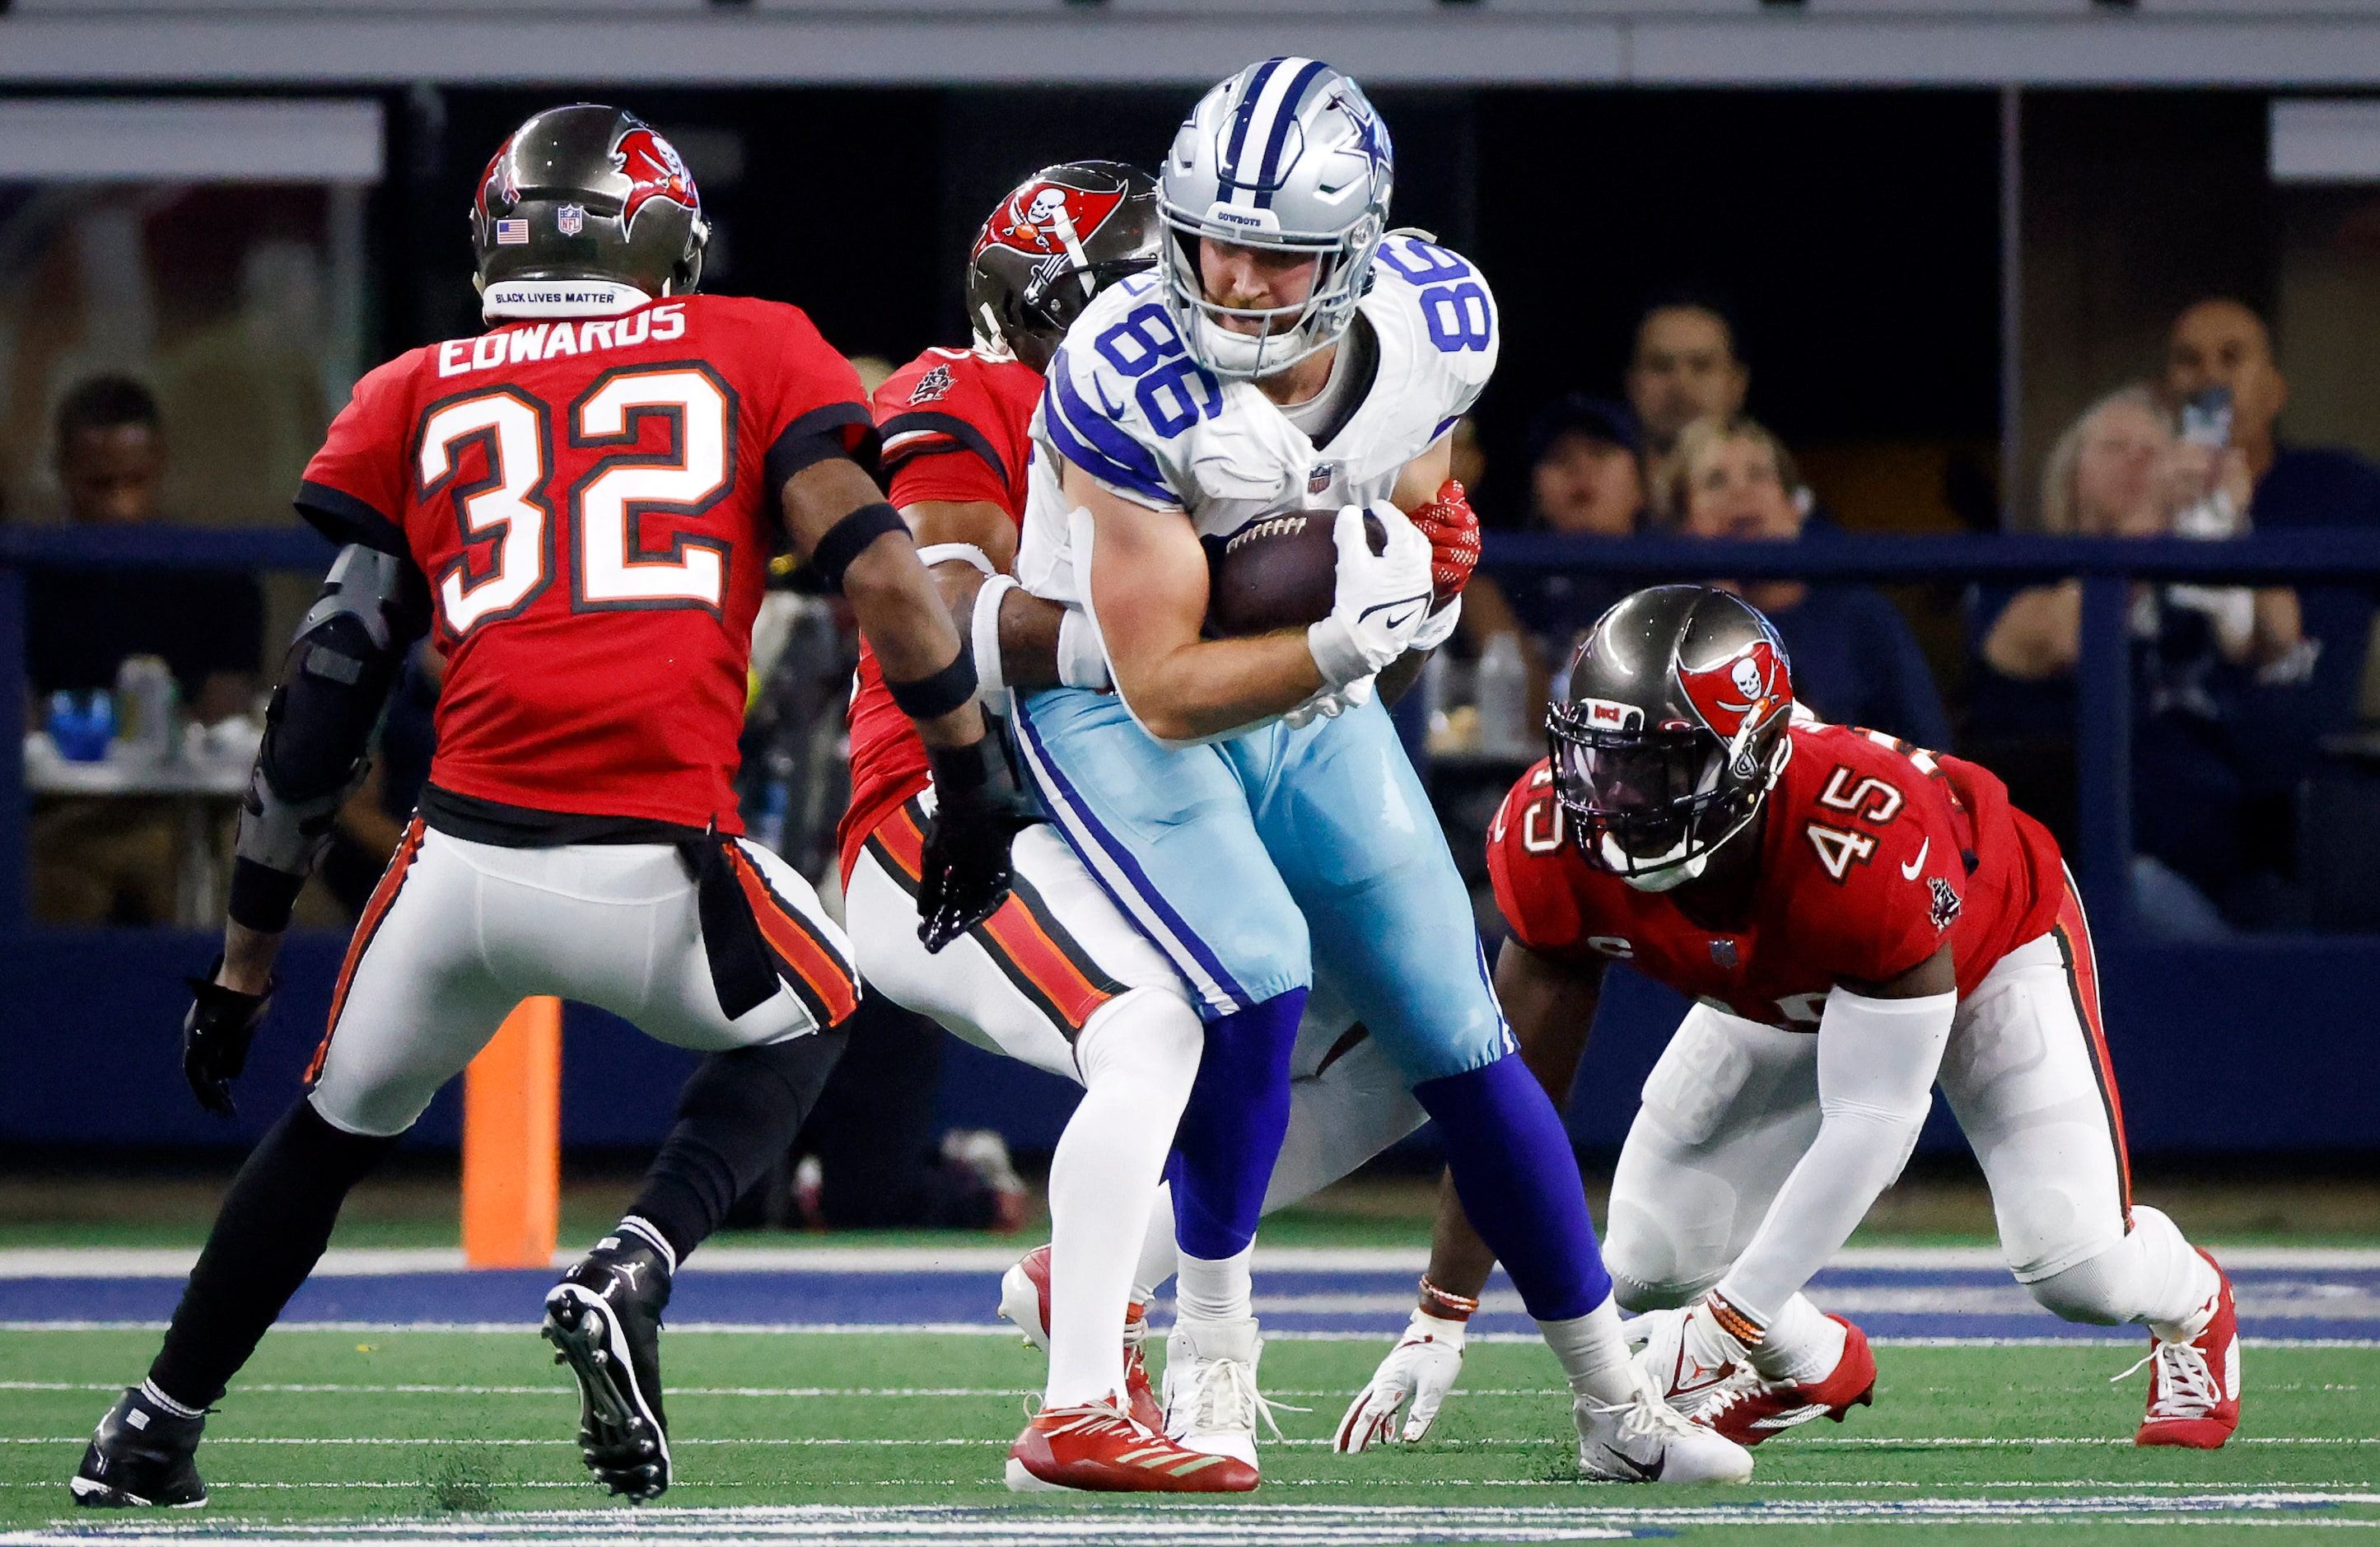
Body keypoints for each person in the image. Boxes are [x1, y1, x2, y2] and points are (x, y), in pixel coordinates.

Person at [69, 105, 1025, 1511]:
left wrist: (242, 960)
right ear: (662, 245)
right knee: (823, 990)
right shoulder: (753, 345)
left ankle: (150, 1423)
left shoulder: (417, 387)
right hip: (653, 862)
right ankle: (637, 1255)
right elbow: (885, 575)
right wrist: (968, 776)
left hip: (455, 870)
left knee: (326, 1138)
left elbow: (325, 688)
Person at [1005, 58, 1750, 1486]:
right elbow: (1160, 686)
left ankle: (1612, 1399)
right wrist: (1351, 634)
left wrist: (1417, 565)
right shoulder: (1120, 364)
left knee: (1460, 1031)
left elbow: (1403, 499)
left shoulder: (1435, 323)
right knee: (1257, 969)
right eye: (1210, 235)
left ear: (1350, 254)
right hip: (1109, 705)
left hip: (1302, 690)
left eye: (1273, 253)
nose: (1229, 275)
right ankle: (1216, 1354)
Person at [1342, 587, 2241, 1454]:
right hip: (1778, 987)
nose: (1615, 800)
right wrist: (1439, 1315)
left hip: (1980, 951)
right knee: (1650, 1264)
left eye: (1658, 766)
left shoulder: (1864, 834)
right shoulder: (1552, 837)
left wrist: (1730, 1322)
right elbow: (1507, 1103)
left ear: (1753, 756)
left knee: (2072, 1266)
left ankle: (2191, 1298)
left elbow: (1875, 1124)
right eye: (1600, 760)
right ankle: (1806, 1367)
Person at [829, 161, 1253, 1492]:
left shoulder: (1189, 417)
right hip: (939, 816)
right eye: (1145, 298)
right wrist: (1174, 645)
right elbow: (946, 607)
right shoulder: (963, 395)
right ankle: (1080, 1397)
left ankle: (1086, 1281)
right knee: (1151, 1029)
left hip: (1087, 810)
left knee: (1270, 1025)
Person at [1974, 386, 2304, 929]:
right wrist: (2155, 520)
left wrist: (2232, 519)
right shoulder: (2023, 579)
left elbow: (2279, 635)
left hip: (2232, 864)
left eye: (2154, 451)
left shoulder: (2190, 592)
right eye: (2115, 446)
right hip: (2085, 876)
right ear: (2072, 473)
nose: (2138, 461)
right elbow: (2064, 637)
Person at [28, 376, 265, 923]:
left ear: (160, 465)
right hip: (58, 815)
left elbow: (220, 717)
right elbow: (21, 718)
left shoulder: (216, 579)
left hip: (185, 814)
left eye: (134, 482)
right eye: (99, 485)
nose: (120, 507)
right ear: (62, 471)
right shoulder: (30, 580)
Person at [1670, 414, 1950, 750]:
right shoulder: (1670, 629)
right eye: (1716, 481)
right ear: (1684, 523)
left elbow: (1931, 754)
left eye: (1758, 475)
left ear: (1794, 508)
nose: (1740, 490)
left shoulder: (1864, 618)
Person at [1625, 299, 1748, 518]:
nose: (1680, 385)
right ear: (1632, 385)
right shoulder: (1592, 520)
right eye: (1660, 366)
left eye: (1702, 365)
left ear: (1736, 386)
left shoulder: (1788, 521)